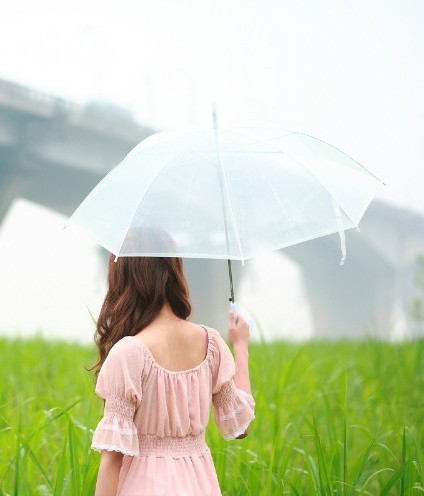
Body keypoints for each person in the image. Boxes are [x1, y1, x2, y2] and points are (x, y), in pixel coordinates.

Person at [90, 255, 255, 496]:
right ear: (174, 272)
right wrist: (241, 349)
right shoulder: (211, 344)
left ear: (125, 280)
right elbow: (241, 427)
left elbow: (111, 461)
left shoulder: (129, 353)